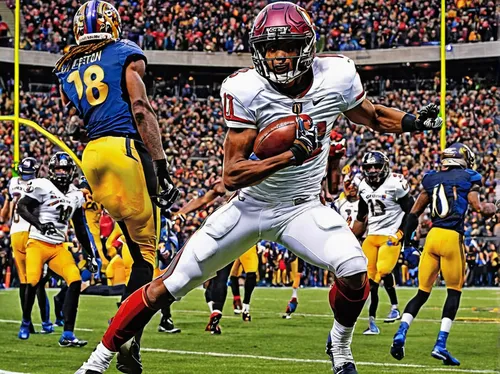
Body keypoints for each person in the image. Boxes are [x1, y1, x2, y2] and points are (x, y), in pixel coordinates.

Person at [76, 3, 442, 374]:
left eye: (288, 46)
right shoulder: (246, 88)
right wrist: (287, 157)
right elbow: (232, 175)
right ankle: (97, 361)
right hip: (251, 206)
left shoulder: (337, 75)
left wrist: (414, 122)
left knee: (353, 268)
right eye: (270, 48)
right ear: (257, 50)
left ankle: (340, 346)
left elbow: (375, 115)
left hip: (301, 207)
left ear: (308, 46)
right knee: (169, 284)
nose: (279, 56)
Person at [53, 0, 178, 368]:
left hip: (92, 157)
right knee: (146, 256)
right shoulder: (125, 53)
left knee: (135, 245)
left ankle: (126, 334)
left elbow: (75, 123)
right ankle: (126, 336)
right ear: (113, 24)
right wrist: (162, 164)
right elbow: (139, 107)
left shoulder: (68, 66)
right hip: (124, 149)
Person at [390, 143, 498, 366]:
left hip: (432, 238)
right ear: (463, 159)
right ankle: (440, 344)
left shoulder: (431, 178)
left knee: (421, 293)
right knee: (454, 293)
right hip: (451, 238)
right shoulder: (469, 176)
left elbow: (413, 214)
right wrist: (493, 207)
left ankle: (401, 332)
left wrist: (408, 242)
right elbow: (478, 207)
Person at [17, 152, 97, 346]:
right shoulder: (42, 185)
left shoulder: (76, 195)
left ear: (71, 172)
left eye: (65, 169)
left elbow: (80, 228)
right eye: (58, 169)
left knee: (75, 280)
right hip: (37, 242)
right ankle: (26, 321)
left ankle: (68, 334)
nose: (62, 172)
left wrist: (90, 254)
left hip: (58, 247)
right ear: (52, 170)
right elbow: (21, 207)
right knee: (33, 280)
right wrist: (39, 224)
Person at [352, 151, 414, 335]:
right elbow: (362, 214)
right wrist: (352, 235)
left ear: (384, 166)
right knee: (368, 280)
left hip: (390, 235)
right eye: (369, 167)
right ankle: (372, 323)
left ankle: (393, 307)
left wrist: (402, 234)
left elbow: (411, 213)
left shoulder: (396, 184)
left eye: (376, 166)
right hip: (372, 236)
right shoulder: (363, 185)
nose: (372, 170)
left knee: (384, 271)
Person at [1, 157, 54, 337]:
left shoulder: (13, 182)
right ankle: (46, 323)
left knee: (25, 281)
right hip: (33, 233)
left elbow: (6, 213)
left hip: (15, 233)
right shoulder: (41, 184)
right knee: (37, 281)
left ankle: (27, 323)